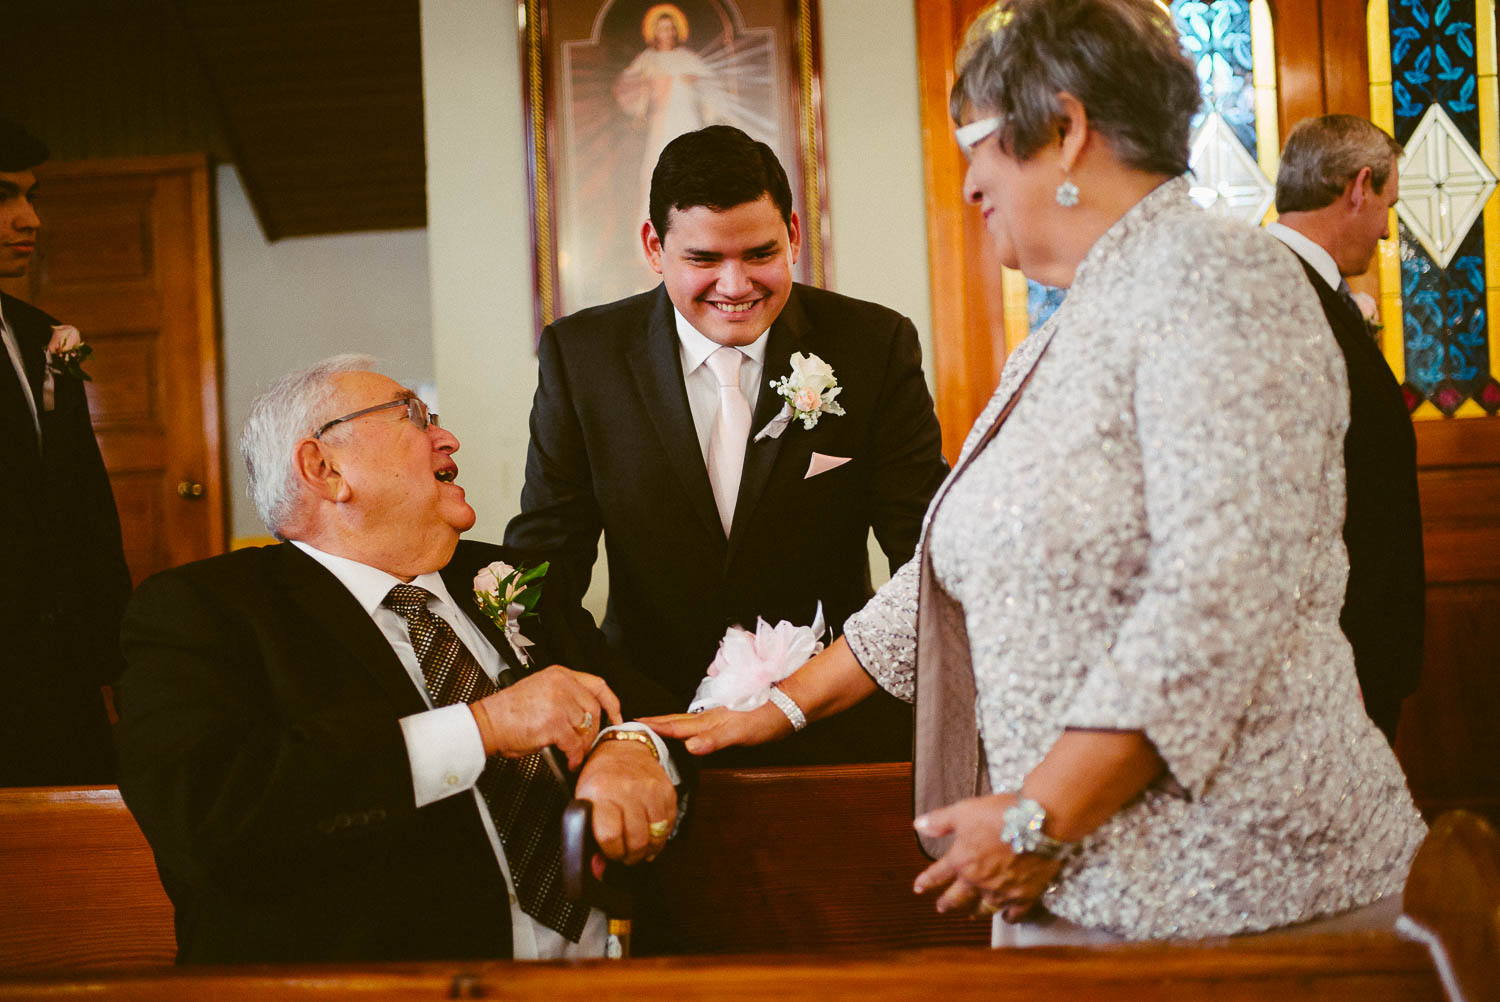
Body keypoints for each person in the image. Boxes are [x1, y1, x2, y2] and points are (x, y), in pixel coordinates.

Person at [647, 0, 1426, 944]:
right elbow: (946, 566)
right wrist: (781, 704)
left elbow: (1219, 595)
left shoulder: (1222, 280)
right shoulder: (1065, 331)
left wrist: (1037, 817)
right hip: (1097, 889)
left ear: (1064, 130)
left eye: (976, 143)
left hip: (1241, 890)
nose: (969, 181)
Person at [115, 355, 686, 963]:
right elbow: (209, 817)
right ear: (324, 468)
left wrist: (630, 750)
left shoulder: (508, 578)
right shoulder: (206, 611)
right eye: (413, 416)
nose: (447, 437)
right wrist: (483, 727)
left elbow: (648, 706)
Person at [505, 124, 948, 766]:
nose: (736, 286)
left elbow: (925, 552)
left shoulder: (873, 345)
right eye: (705, 260)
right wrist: (610, 715)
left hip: (835, 719)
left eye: (760, 254)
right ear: (655, 247)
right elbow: (549, 560)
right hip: (648, 721)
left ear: (793, 234)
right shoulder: (584, 359)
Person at [1267, 115, 1424, 745]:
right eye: (1388, 205)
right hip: (1337, 653)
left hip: (1359, 645)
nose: (1388, 230)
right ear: (1359, 187)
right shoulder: (1277, 294)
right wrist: (1330, 657)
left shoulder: (1315, 288)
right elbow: (1287, 491)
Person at [0, 118, 132, 786]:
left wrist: (115, 656)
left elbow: (82, 501)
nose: (30, 219)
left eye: (30, 196)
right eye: (3, 196)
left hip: (54, 664)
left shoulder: (40, 335)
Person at [614, 4, 719, 224]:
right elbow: (628, 84)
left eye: (671, 28)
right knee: (659, 168)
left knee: (692, 167)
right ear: (654, 32)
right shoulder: (648, 59)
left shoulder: (687, 57)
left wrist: (692, 81)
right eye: (662, 29)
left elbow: (710, 84)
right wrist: (650, 88)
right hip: (661, 123)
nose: (667, 33)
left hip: (687, 120)